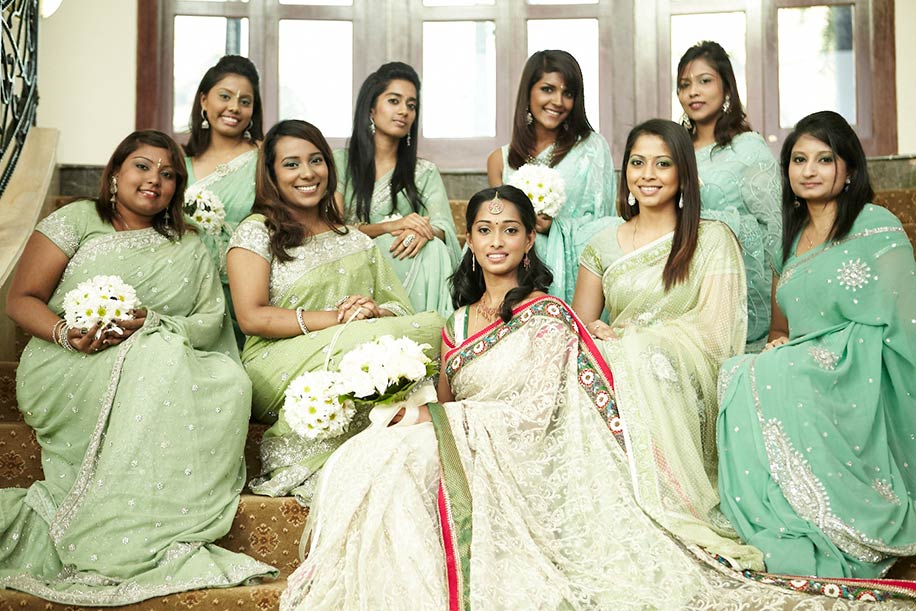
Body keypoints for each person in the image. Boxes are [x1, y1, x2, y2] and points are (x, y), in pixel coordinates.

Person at [279, 185, 916, 610]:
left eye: (510, 229)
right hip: (469, 443)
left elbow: (537, 414)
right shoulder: (455, 324)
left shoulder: (548, 314)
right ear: (468, 240)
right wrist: (412, 403)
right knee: (373, 453)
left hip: (522, 458)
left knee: (410, 455)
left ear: (529, 241)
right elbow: (446, 397)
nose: (497, 240)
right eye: (484, 229)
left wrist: (439, 420)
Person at [0, 130, 276, 604]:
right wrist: (67, 333)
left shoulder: (189, 242)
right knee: (157, 355)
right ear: (115, 173)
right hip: (69, 356)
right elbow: (21, 299)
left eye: (169, 175)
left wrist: (155, 322)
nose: (155, 180)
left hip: (155, 354)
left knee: (228, 379)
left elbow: (209, 321)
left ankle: (150, 518)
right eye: (143, 167)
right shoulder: (77, 219)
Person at [717, 111, 916, 579]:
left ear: (849, 169)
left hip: (865, 371)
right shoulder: (788, 242)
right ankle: (790, 515)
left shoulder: (875, 225)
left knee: (781, 370)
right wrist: (781, 346)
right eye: (799, 160)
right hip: (807, 369)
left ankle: (853, 521)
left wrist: (826, 355)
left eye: (824, 159)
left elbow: (903, 320)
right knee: (738, 370)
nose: (809, 170)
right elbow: (781, 329)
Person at [571, 119, 762, 568]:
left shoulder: (711, 239)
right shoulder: (601, 245)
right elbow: (578, 327)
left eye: (662, 164)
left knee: (643, 355)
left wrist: (636, 340)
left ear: (683, 174)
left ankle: (671, 504)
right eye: (637, 163)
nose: (648, 175)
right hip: (617, 365)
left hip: (679, 373)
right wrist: (599, 335)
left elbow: (716, 333)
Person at [226, 119, 442, 503]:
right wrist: (338, 319)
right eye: (291, 164)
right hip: (276, 362)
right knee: (371, 345)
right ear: (271, 175)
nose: (307, 173)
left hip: (357, 343)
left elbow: (398, 308)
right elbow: (252, 317)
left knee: (435, 326)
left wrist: (372, 311)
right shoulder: (257, 232)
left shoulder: (354, 239)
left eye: (316, 160)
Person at [487, 49, 616, 303]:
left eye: (568, 93)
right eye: (548, 89)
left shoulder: (592, 149)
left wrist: (555, 227)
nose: (558, 101)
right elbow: (496, 228)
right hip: (516, 274)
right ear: (528, 92)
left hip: (579, 273)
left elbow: (604, 225)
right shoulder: (500, 160)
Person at [677, 41, 782, 350]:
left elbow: (776, 229)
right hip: (681, 280)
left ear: (727, 88)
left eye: (704, 81)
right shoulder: (674, 149)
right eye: (684, 85)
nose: (693, 92)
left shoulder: (748, 149)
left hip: (735, 284)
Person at [335, 62, 461, 318]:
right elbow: (333, 229)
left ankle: (424, 330)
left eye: (411, 105)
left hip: (409, 262)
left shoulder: (424, 172)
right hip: (353, 265)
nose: (404, 111)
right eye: (394, 101)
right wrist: (389, 227)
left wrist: (422, 231)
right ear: (371, 109)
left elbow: (443, 228)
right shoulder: (339, 163)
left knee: (434, 248)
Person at [184, 55, 264, 346]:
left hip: (245, 288)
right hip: (186, 286)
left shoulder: (264, 157)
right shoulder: (180, 163)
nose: (234, 107)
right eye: (225, 96)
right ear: (204, 100)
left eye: (245, 101)